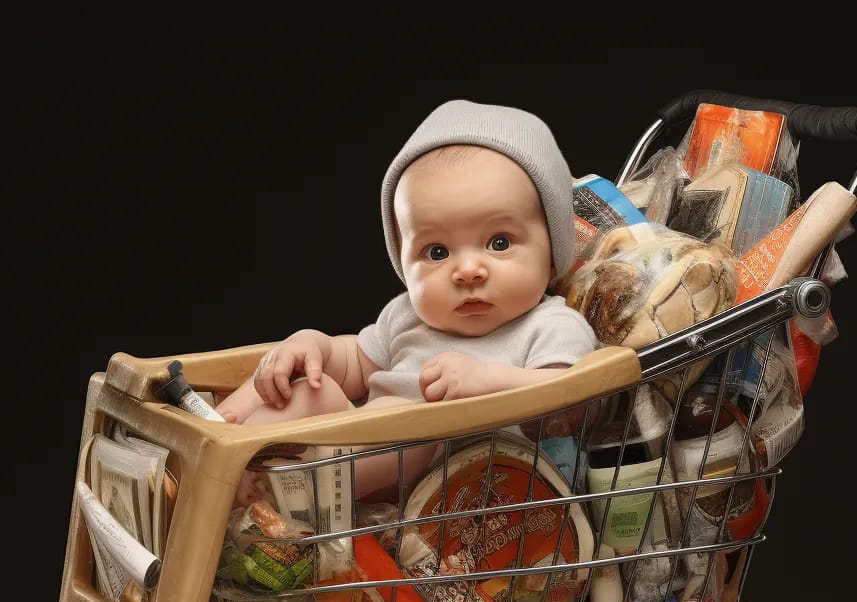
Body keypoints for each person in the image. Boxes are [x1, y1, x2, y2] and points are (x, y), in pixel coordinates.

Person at [216, 99, 598, 503]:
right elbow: (354, 363)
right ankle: (223, 440)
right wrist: (313, 345)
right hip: (357, 467)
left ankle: (279, 488)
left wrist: (487, 381)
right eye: (436, 252)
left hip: (458, 496)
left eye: (498, 243)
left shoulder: (551, 325)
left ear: (553, 249)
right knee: (308, 381)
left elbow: (570, 399)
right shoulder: (408, 315)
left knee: (404, 421)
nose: (467, 270)